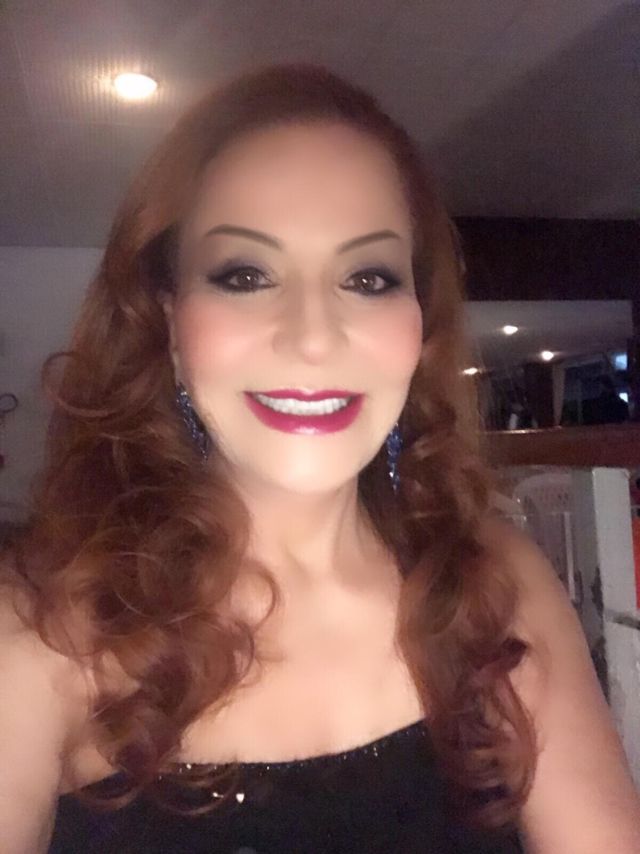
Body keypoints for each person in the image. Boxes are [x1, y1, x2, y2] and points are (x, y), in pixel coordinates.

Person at [1, 63, 639, 854]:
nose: (312, 337)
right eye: (246, 275)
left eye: (367, 278)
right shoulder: (42, 630)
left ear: (419, 324)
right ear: (170, 324)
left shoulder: (498, 587)